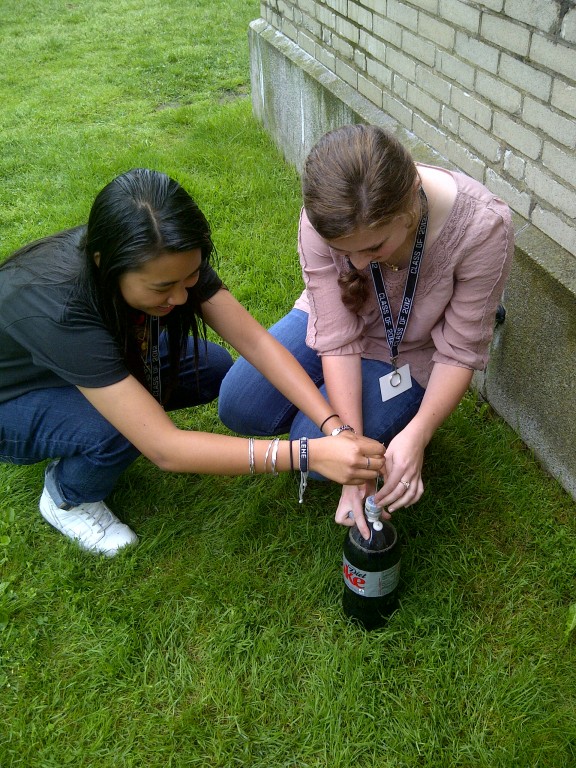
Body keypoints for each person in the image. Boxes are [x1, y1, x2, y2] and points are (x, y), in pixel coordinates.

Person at [0, 168, 385, 556]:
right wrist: (307, 454)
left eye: (190, 278)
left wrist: (334, 428)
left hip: (71, 361)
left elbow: (254, 342)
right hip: (11, 400)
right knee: (121, 427)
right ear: (105, 263)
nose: (182, 297)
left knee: (211, 367)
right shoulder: (60, 307)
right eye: (162, 288)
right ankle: (67, 495)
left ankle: (94, 419)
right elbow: (165, 448)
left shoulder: (168, 255)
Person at [218, 124, 514, 539]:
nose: (357, 264)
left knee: (310, 442)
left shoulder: (483, 229)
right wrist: (350, 445)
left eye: (374, 248)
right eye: (344, 252)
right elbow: (337, 338)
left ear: (412, 199)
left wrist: (418, 433)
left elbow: (461, 351)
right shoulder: (323, 216)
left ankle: (394, 422)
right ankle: (354, 418)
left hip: (410, 353)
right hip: (332, 321)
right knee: (240, 402)